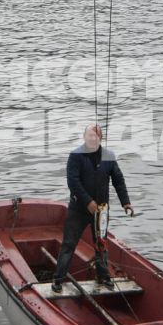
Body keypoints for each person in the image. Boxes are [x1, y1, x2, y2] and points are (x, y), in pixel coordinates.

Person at [51, 123, 133, 294]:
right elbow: (73, 182)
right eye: (89, 135)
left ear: (100, 138)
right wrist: (88, 201)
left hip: (101, 211)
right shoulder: (76, 156)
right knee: (68, 244)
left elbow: (118, 179)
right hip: (79, 210)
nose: (92, 138)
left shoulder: (109, 156)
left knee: (101, 245)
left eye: (96, 135)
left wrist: (126, 202)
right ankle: (58, 279)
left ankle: (103, 276)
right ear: (84, 137)